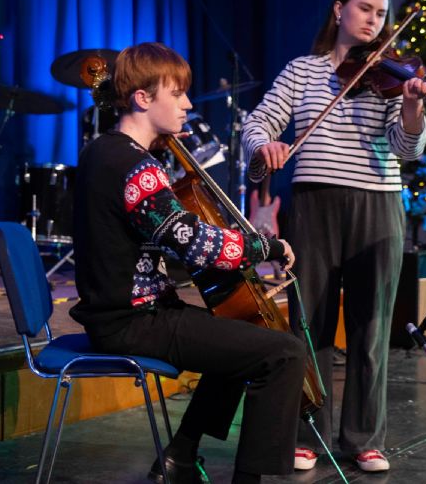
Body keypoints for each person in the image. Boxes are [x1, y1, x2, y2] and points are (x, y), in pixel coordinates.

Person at [69, 42, 307, 484]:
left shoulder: (103, 153)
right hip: (133, 321)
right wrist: (266, 247)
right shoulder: (134, 166)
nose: (188, 104)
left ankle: (180, 455)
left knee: (240, 339)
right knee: (284, 353)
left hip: (120, 314)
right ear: (143, 98)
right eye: (177, 93)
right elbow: (194, 243)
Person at [242, 0, 426, 473]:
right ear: (339, 9)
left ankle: (365, 438)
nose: (373, 20)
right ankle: (308, 435)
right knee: (311, 322)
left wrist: (412, 108)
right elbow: (258, 123)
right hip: (314, 202)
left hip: (378, 202)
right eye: (365, 8)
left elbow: (406, 149)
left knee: (372, 326)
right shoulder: (302, 71)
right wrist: (265, 146)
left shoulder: (391, 75)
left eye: (381, 14)